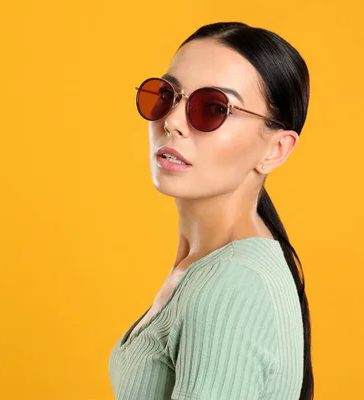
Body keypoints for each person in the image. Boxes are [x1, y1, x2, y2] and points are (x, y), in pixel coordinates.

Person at [108, 22, 313, 400]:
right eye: (166, 95)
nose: (170, 122)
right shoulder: (216, 266)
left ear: (276, 149)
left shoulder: (233, 283)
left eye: (214, 108)